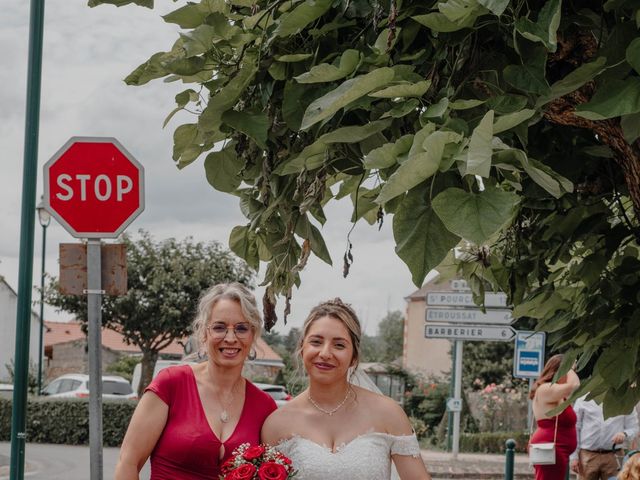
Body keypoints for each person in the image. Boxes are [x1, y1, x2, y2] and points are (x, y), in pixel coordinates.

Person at [114, 283, 277, 480]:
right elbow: (128, 462)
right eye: (219, 327)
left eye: (242, 328)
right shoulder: (171, 384)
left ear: (253, 335)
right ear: (204, 332)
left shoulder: (264, 406)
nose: (231, 338)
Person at [261, 298, 431, 480]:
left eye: (339, 345)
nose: (325, 353)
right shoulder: (276, 424)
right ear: (302, 348)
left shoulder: (388, 413)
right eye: (316, 342)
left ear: (354, 357)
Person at [529, 354, 580, 480]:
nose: (570, 375)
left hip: (556, 448)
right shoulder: (546, 388)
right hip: (551, 447)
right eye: (567, 371)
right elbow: (574, 385)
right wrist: (569, 366)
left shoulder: (556, 394)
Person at [570, 396, 639, 480]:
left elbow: (634, 428)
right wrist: (574, 457)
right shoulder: (583, 399)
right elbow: (575, 428)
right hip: (587, 455)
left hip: (614, 456)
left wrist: (624, 434)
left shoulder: (625, 399)